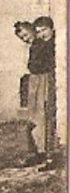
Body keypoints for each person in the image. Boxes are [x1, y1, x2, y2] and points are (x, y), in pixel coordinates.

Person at [28, 16, 57, 154]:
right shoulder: (41, 45)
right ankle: (47, 152)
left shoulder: (56, 44)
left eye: (44, 30)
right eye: (38, 32)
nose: (42, 34)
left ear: (52, 29)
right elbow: (33, 66)